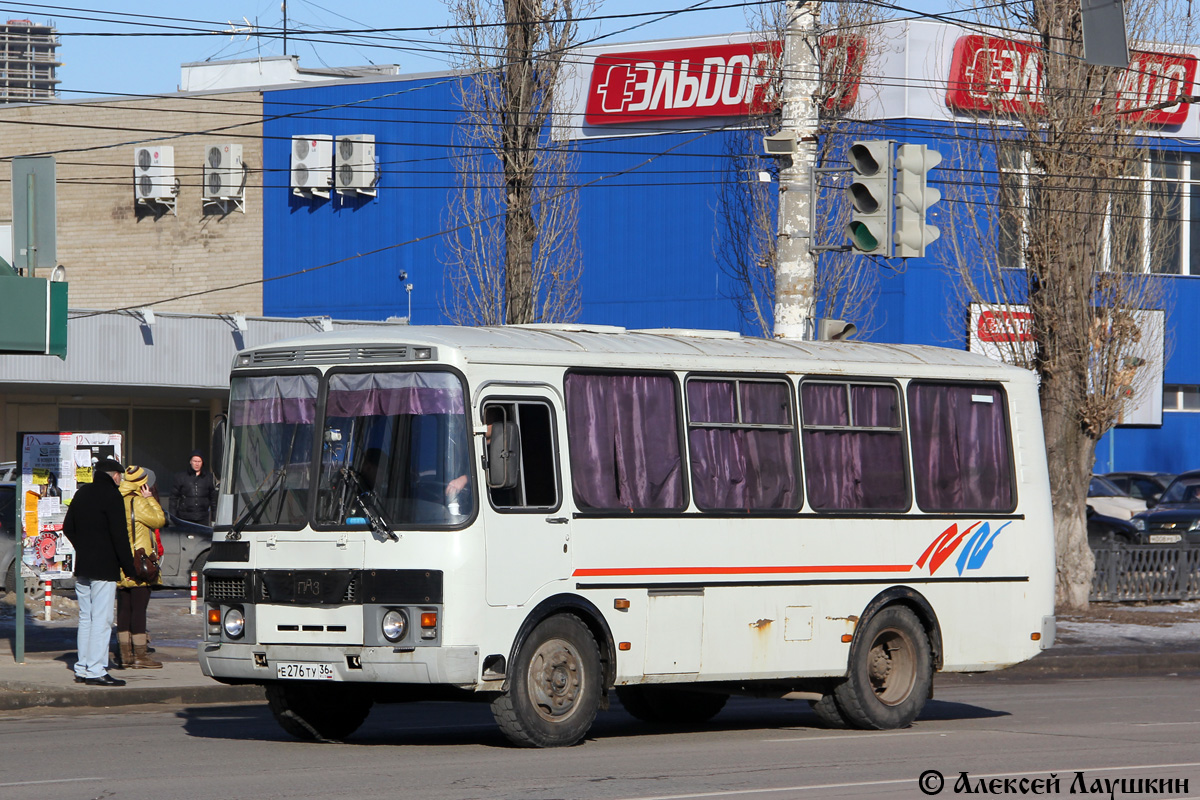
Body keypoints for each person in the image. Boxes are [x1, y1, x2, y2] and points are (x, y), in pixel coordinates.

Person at [62, 458, 138, 687]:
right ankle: (96, 670)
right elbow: (120, 536)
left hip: (83, 565)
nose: (121, 480)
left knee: (86, 618)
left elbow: (67, 527)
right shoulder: (112, 496)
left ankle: (83, 667)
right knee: (102, 620)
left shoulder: (82, 493)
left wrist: (83, 547)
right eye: (120, 476)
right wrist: (129, 567)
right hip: (105, 567)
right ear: (114, 475)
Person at [115, 465, 165, 670]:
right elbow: (159, 520)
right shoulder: (138, 501)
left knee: (124, 608)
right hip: (140, 562)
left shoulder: (119, 499)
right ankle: (140, 656)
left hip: (121, 561)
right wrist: (150, 498)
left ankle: (125, 655)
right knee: (139, 609)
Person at [171, 449, 217, 525]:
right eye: (195, 461)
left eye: (199, 461)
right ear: (190, 462)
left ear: (202, 463)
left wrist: (214, 518)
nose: (197, 464)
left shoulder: (209, 478)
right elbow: (173, 498)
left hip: (202, 517)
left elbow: (213, 500)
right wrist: (172, 517)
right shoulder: (181, 477)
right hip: (184, 516)